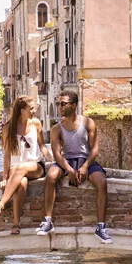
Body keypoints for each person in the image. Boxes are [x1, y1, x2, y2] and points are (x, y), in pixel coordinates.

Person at [37, 90, 113, 244]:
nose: (60, 107)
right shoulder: (56, 129)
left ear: (74, 105)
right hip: (65, 161)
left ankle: (101, 227)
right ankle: (47, 221)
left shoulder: (88, 123)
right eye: (59, 104)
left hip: (85, 160)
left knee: (102, 182)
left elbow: (94, 150)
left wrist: (85, 167)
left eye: (63, 104)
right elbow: (57, 154)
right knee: (51, 176)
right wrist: (70, 170)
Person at [0, 96, 50, 235]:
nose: (34, 111)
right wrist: (5, 177)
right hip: (16, 170)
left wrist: (50, 156)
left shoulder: (36, 124)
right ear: (22, 110)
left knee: (21, 168)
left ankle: (0, 205)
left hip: (36, 166)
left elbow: (42, 146)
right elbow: (7, 154)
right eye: (31, 108)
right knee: (21, 183)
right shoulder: (9, 127)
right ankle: (16, 224)